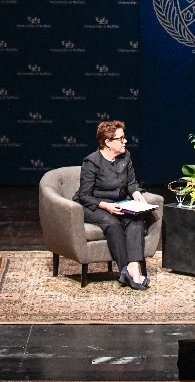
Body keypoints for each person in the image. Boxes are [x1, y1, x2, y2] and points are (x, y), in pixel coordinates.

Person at [74, 120, 154, 289]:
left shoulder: (126, 156)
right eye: (121, 138)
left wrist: (137, 195)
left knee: (136, 220)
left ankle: (133, 267)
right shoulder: (92, 162)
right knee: (113, 224)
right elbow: (84, 195)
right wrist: (106, 206)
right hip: (94, 205)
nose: (125, 141)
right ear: (108, 142)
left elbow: (131, 183)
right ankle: (125, 269)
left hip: (118, 203)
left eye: (124, 137)